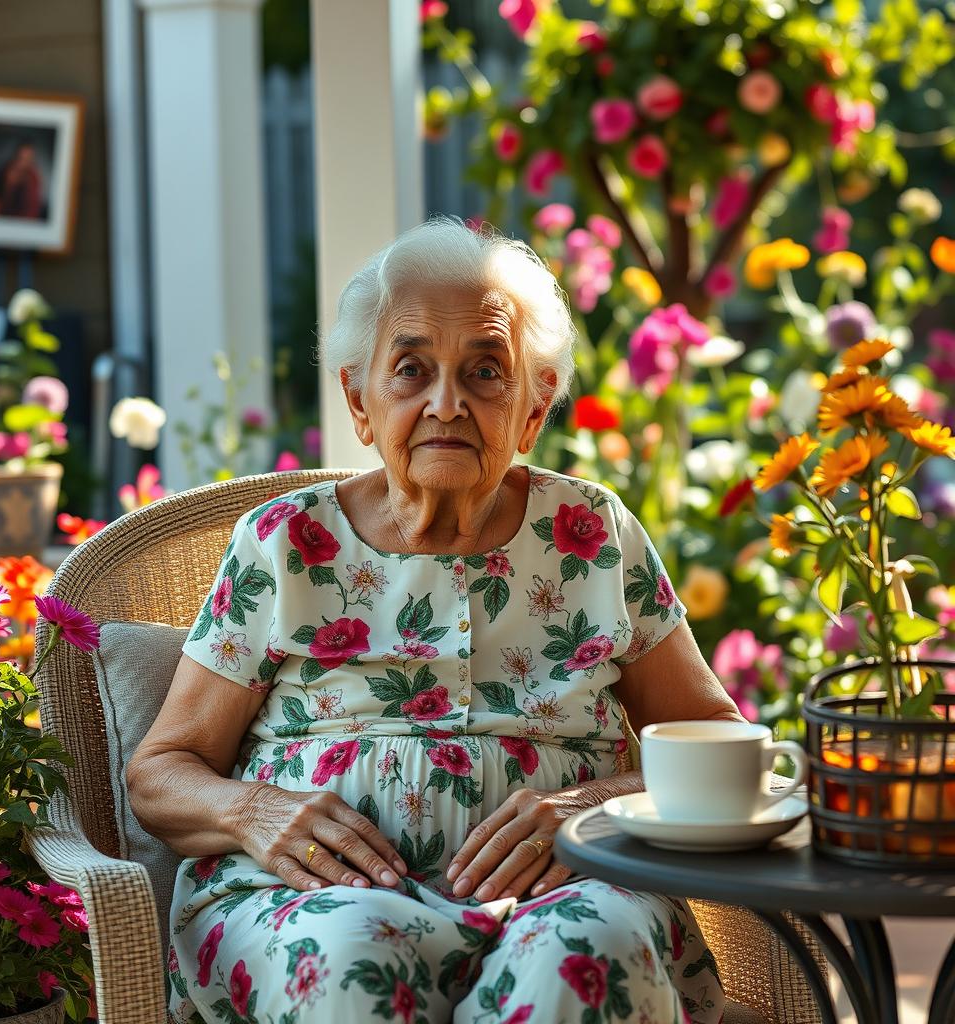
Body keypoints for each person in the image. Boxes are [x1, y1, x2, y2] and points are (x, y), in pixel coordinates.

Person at [128, 218, 745, 1024]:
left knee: (586, 960)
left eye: (486, 372)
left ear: (533, 408)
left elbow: (722, 751)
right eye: (411, 369)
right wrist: (257, 812)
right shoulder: (286, 544)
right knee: (352, 965)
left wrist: (590, 809)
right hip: (315, 899)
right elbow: (160, 773)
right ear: (359, 398)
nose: (445, 403)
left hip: (565, 892)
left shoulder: (593, 535)